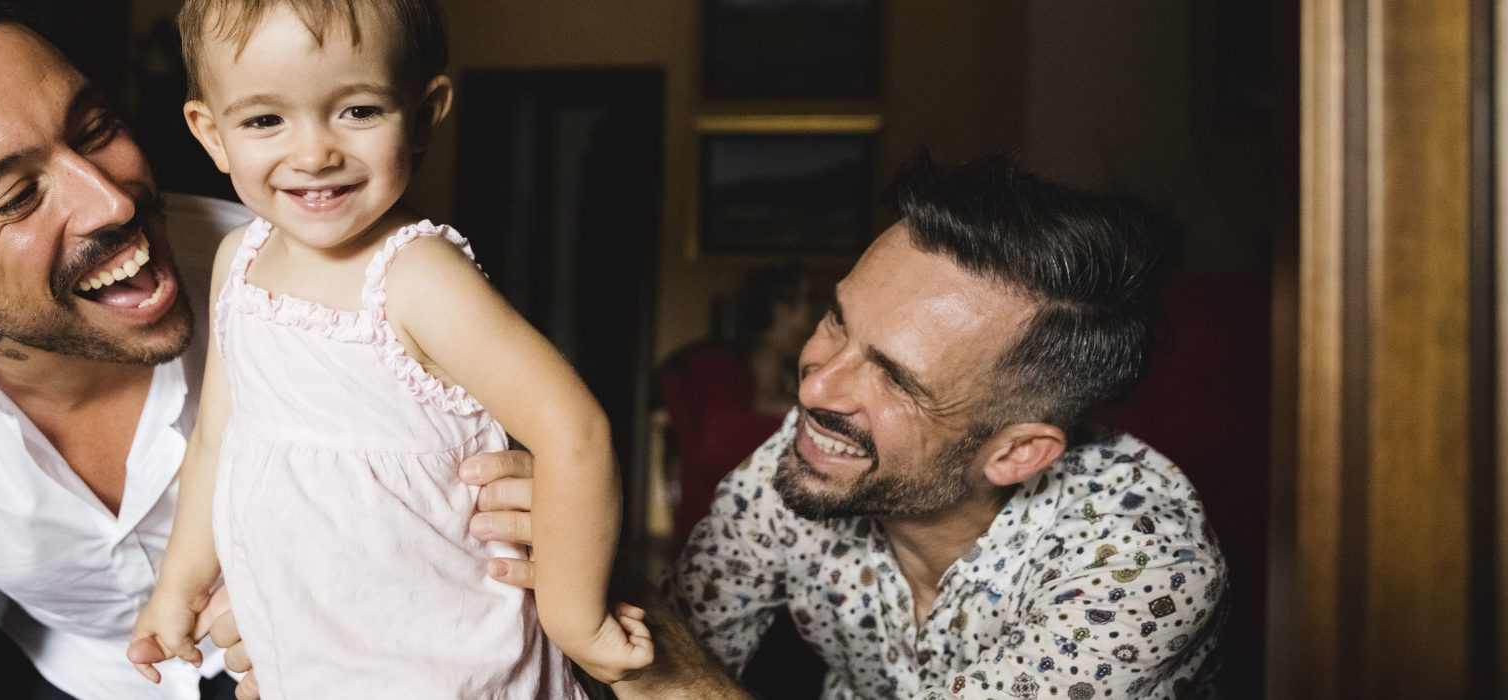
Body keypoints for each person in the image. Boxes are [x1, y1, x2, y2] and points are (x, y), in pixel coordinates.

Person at [0, 2, 531, 698]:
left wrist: (516, 511)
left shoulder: (317, 284)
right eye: (17, 198)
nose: (112, 199)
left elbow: (478, 518)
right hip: (78, 678)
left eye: (95, 129)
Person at [475, 154, 1229, 700]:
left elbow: (669, 668)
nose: (818, 382)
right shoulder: (804, 463)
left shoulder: (1142, 562)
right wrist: (587, 555)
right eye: (837, 320)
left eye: (896, 378)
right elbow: (677, 639)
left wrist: (654, 662)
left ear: (1018, 453)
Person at [124, 2, 652, 697]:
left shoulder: (417, 277)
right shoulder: (238, 263)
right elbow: (217, 440)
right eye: (264, 120)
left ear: (426, 111)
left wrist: (574, 614)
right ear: (212, 134)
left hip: (451, 662)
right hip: (313, 657)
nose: (313, 153)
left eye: (359, 111)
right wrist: (178, 588)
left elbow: (573, 430)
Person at [663, 263, 814, 540]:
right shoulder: (765, 354)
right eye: (805, 302)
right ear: (780, 309)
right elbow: (764, 404)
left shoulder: (760, 355)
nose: (811, 315)